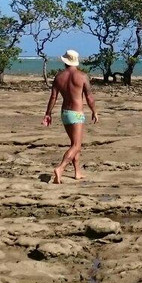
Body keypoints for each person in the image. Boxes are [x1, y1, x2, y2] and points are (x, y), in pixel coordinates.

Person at [43, 49, 98, 184]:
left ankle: (77, 172)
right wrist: (94, 111)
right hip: (76, 114)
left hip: (65, 113)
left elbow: (53, 97)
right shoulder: (82, 76)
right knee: (76, 146)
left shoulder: (59, 77)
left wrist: (48, 113)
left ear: (65, 61)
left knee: (74, 143)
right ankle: (60, 168)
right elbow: (89, 97)